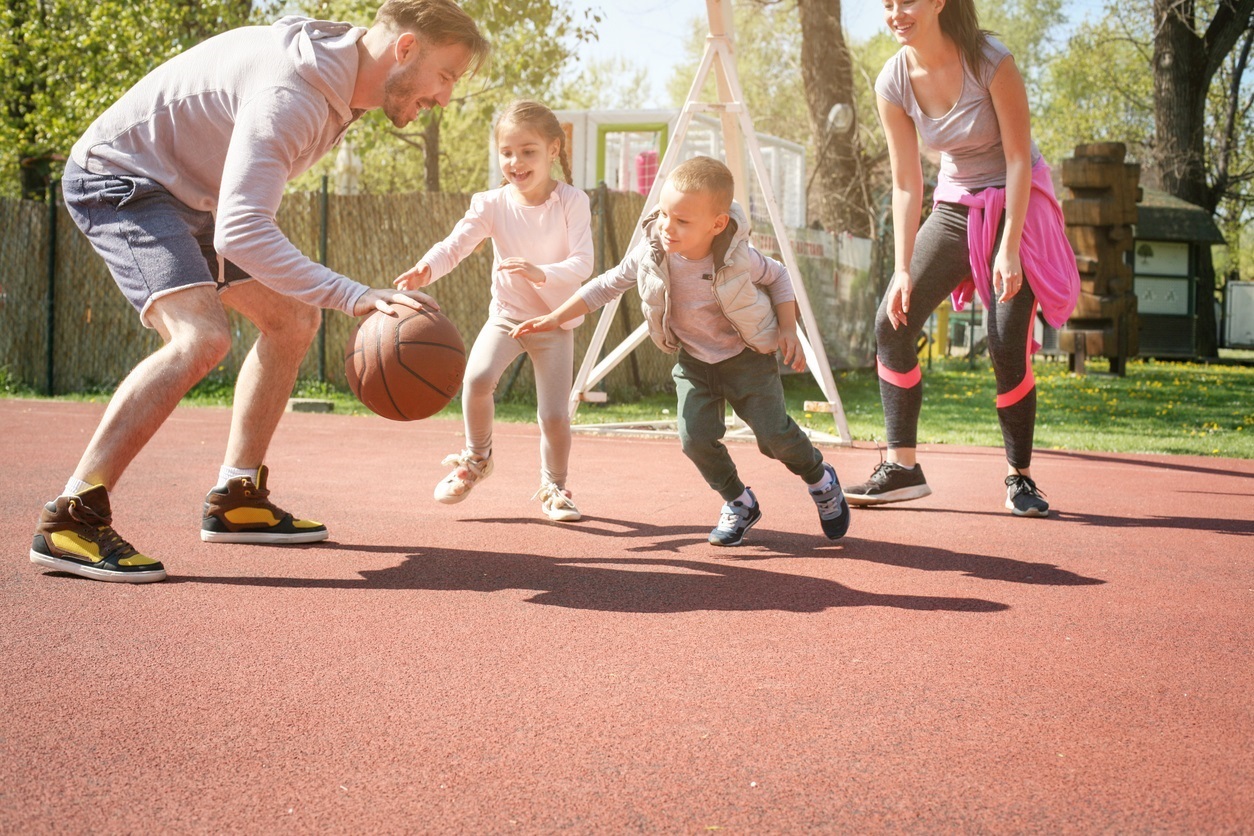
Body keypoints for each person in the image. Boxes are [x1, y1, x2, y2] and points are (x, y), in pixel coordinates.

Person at [28, 0, 490, 584]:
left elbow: (239, 215)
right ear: (404, 49)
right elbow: (243, 230)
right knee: (200, 338)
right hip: (122, 179)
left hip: (189, 197)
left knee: (292, 321)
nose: (444, 98)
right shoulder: (292, 92)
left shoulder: (340, 82)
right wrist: (353, 294)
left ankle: (237, 497)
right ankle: (71, 517)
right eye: (445, 75)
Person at [512, 156, 850, 546]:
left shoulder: (738, 257)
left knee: (773, 437)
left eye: (683, 221)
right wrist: (555, 316)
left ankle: (819, 478)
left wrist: (788, 328)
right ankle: (739, 501)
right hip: (694, 361)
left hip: (746, 358)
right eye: (665, 215)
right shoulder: (652, 253)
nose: (668, 227)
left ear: (717, 224)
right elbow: (606, 284)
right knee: (694, 439)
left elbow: (778, 276)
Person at [847, 0, 1079, 517]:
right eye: (886, 4)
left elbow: (1020, 158)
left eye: (905, 1)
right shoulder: (893, 81)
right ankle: (902, 467)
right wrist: (903, 267)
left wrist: (1010, 247)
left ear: (936, 2)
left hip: (1018, 203)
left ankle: (1020, 479)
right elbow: (908, 183)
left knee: (1004, 341)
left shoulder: (989, 59)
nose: (895, 14)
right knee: (892, 322)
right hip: (955, 206)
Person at [394, 100, 592, 522]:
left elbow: (583, 264)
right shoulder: (490, 203)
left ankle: (555, 488)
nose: (515, 162)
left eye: (528, 151)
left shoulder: (572, 201)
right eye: (506, 152)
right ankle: (477, 459)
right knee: (478, 378)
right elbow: (456, 244)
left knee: (554, 415)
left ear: (553, 150)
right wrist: (426, 267)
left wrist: (541, 272)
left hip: (555, 322)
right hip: (508, 317)